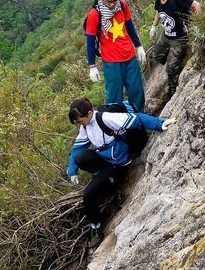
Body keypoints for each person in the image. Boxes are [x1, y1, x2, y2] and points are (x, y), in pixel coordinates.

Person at [66, 98, 175, 237]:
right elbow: (78, 147)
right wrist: (72, 170)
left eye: (80, 121)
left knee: (88, 195)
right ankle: (102, 180)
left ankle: (96, 227)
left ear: (89, 113)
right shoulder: (86, 126)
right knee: (80, 158)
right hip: (105, 159)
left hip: (117, 164)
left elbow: (137, 119)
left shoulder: (105, 119)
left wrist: (159, 124)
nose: (79, 124)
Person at [85, 0, 147, 112]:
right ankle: (116, 123)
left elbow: (129, 26)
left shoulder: (122, 5)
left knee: (137, 92)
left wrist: (138, 45)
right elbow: (90, 40)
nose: (112, 4)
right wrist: (92, 66)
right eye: (109, 1)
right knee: (114, 97)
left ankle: (138, 119)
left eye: (115, 0)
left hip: (129, 56)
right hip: (111, 61)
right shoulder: (95, 14)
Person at [147, 0, 200, 100]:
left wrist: (198, 23)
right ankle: (173, 60)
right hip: (166, 35)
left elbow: (196, 4)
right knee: (155, 56)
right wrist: (154, 26)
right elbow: (158, 12)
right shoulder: (158, 0)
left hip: (179, 38)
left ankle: (173, 90)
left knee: (171, 69)